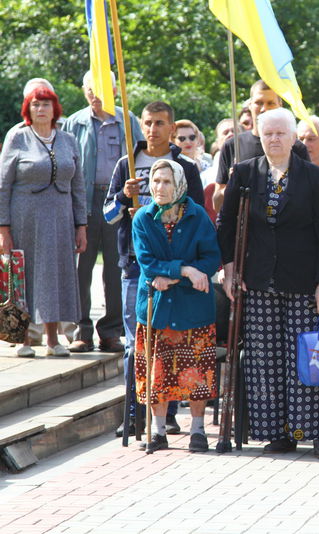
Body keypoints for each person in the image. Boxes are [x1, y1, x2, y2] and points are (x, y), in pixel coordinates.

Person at [218, 108, 319, 459]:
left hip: (303, 282)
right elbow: (226, 227)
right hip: (257, 281)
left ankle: (314, 431)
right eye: (267, 133)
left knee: (305, 357)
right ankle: (278, 433)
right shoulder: (244, 174)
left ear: (293, 137)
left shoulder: (314, 177)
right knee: (264, 362)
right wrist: (228, 268)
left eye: (280, 133)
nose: (274, 139)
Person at [104, 100, 205, 437]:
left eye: (160, 123)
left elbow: (197, 214)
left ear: (171, 127)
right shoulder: (126, 163)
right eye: (148, 123)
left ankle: (168, 412)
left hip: (177, 269)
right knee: (137, 342)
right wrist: (123, 196)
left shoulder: (185, 166)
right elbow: (106, 215)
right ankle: (134, 412)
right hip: (136, 265)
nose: (152, 129)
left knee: (173, 339)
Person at [131, 159, 220, 453]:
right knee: (157, 372)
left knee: (196, 372)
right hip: (156, 308)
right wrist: (186, 272)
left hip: (193, 308)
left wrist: (173, 275)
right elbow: (147, 264)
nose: (160, 187)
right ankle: (158, 432)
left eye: (167, 182)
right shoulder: (142, 218)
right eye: (156, 181)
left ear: (179, 184)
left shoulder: (197, 216)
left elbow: (210, 259)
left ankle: (197, 430)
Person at [0, 86, 87, 357]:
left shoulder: (68, 140)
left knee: (56, 274)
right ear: (28, 109)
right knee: (23, 276)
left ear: (55, 109)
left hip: (61, 217)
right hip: (25, 215)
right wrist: (3, 228)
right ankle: (23, 339)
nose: (41, 109)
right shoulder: (17, 137)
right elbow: (3, 185)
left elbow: (79, 185)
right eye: (36, 104)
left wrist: (80, 225)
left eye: (46, 104)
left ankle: (53, 340)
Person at [62, 70, 143, 354]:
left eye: (102, 89)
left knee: (115, 267)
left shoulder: (128, 120)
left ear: (115, 91)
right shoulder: (75, 122)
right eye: (90, 89)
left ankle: (111, 331)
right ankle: (80, 330)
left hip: (119, 199)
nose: (95, 95)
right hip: (84, 198)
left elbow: (141, 157)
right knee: (80, 269)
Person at [213, 80, 309, 211]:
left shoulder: (296, 147)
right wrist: (233, 183)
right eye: (259, 103)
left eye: (270, 103)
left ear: (280, 105)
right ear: (250, 105)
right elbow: (217, 205)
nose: (264, 109)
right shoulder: (232, 145)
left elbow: (308, 198)